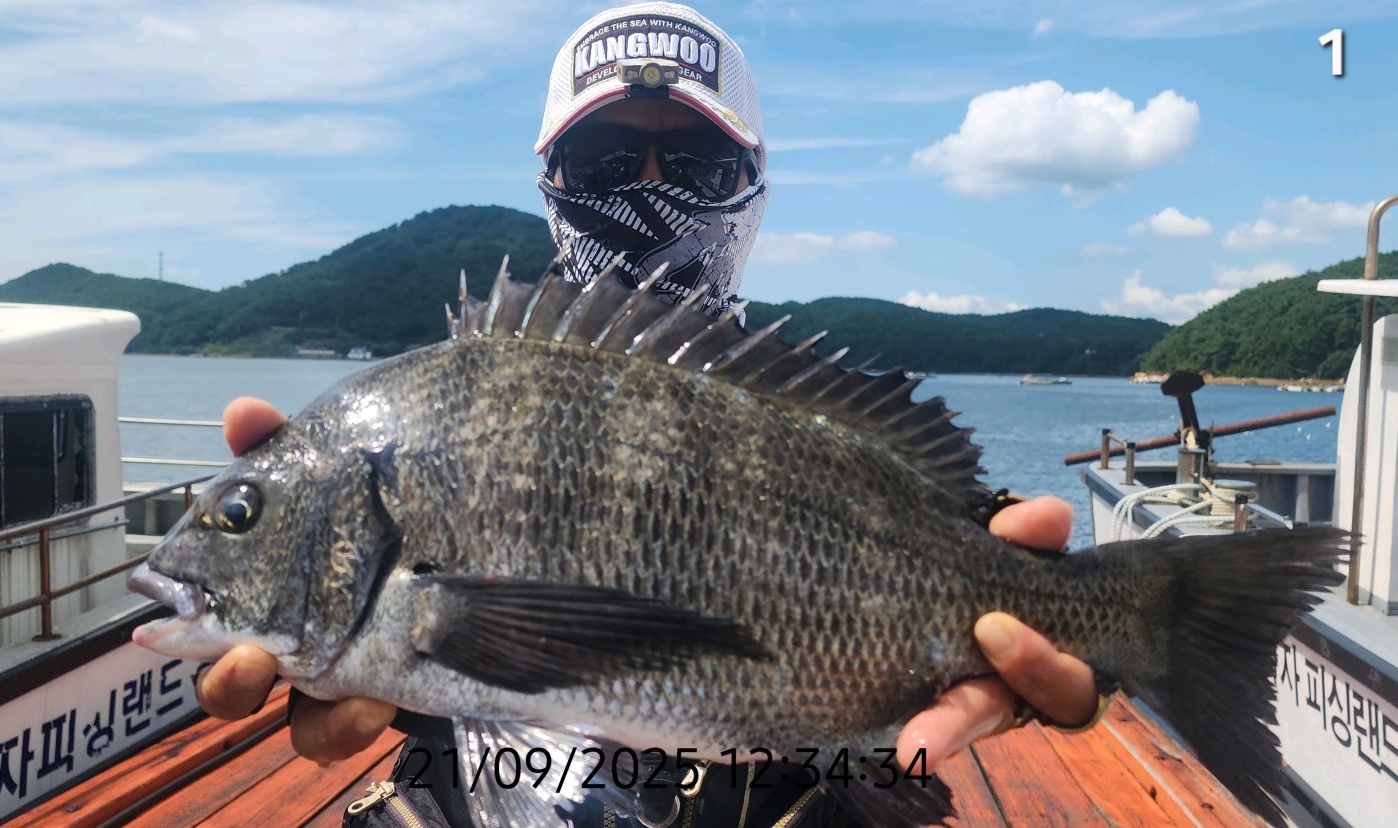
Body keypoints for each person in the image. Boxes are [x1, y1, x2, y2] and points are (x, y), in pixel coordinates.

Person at [196, 3, 1103, 825]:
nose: (650, 187)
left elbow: (932, 532)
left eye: (700, 163)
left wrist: (1026, 606)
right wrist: (343, 655)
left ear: (753, 184)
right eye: (606, 160)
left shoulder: (814, 432)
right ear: (552, 180)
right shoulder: (429, 413)